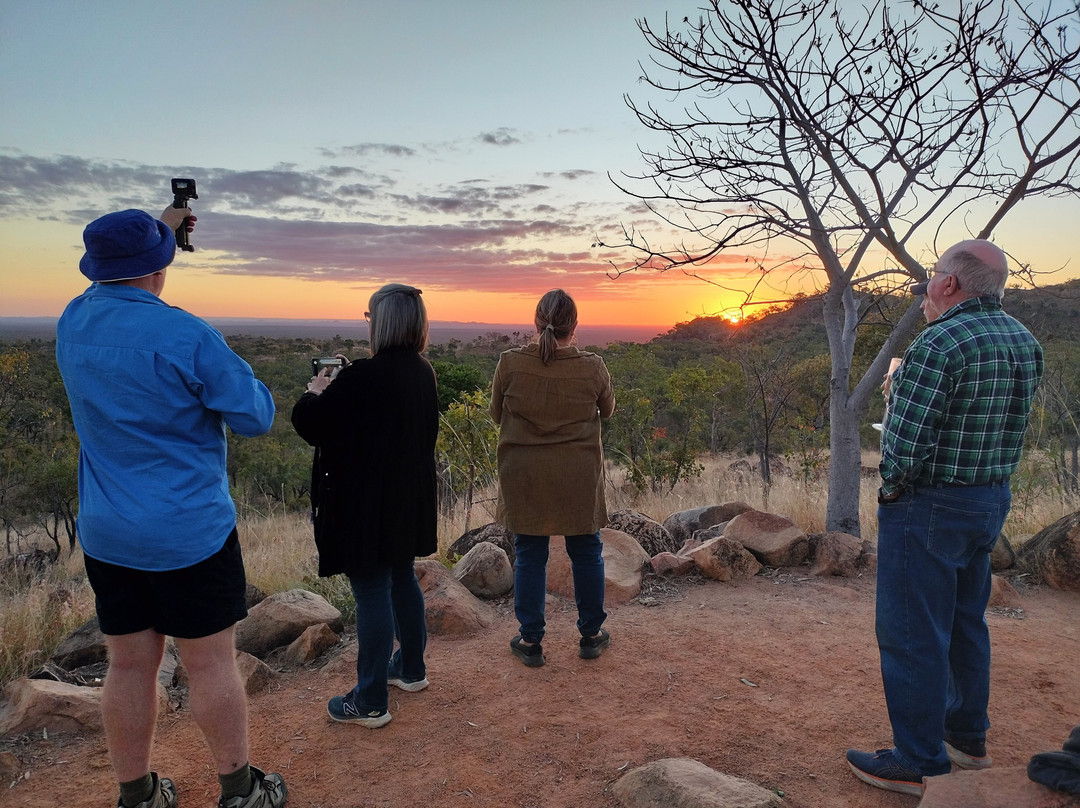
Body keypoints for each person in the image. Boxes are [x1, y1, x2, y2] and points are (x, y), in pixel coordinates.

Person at [55, 209, 287, 808]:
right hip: (189, 533)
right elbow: (257, 416)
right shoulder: (186, 335)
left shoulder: (73, 321)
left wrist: (157, 235)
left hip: (109, 534)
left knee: (129, 666)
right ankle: (239, 790)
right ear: (159, 265)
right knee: (210, 666)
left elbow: (119, 279)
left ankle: (138, 795)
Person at [846, 239, 1043, 795]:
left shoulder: (938, 343)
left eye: (933, 275)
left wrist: (890, 493)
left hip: (929, 505)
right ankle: (966, 738)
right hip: (989, 498)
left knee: (911, 631)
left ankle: (917, 760)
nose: (929, 284)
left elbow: (903, 449)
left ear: (950, 283)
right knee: (964, 619)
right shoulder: (1024, 340)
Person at [291, 283, 438, 728]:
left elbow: (311, 425)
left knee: (372, 592)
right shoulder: (424, 372)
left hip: (365, 507)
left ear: (383, 324)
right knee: (401, 579)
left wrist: (315, 391)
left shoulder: (362, 377)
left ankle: (370, 700)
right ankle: (410, 668)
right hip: (407, 502)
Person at [489, 289, 616, 667]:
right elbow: (607, 411)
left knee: (530, 555)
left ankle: (530, 641)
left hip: (525, 475)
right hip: (577, 473)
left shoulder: (510, 364)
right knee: (586, 551)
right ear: (574, 326)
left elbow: (496, 415)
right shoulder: (592, 366)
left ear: (535, 322)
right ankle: (591, 635)